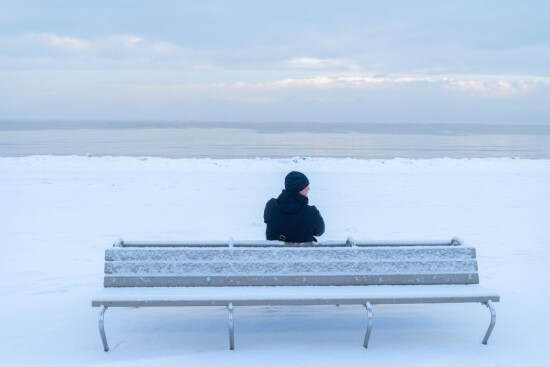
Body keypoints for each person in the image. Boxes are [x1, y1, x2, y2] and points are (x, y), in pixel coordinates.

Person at [264, 171, 325, 243]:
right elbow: (320, 232)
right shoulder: (311, 212)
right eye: (306, 186)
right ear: (299, 189)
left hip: (274, 253)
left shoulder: (271, 206)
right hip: (303, 254)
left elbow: (267, 220)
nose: (309, 189)